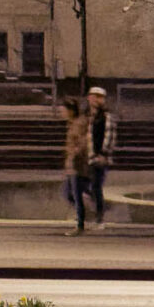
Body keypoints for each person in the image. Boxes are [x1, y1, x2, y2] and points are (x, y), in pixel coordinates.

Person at [87, 83, 117, 225]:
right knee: (83, 186)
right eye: (94, 97)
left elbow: (109, 136)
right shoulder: (88, 117)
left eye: (99, 97)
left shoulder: (106, 117)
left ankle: (99, 217)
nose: (96, 100)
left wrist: (103, 154)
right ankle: (94, 211)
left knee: (96, 186)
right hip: (87, 157)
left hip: (99, 158)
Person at [62, 99, 91, 233]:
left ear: (71, 110)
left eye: (64, 109)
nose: (62, 112)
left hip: (77, 164)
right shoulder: (72, 123)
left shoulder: (79, 123)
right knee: (67, 193)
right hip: (71, 164)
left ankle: (80, 225)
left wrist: (75, 154)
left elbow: (83, 143)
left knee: (75, 194)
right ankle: (86, 214)